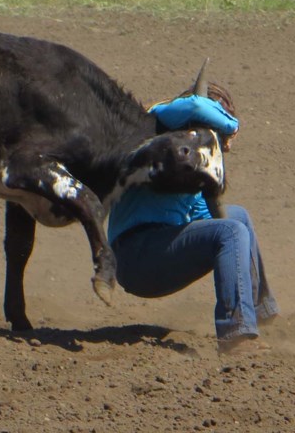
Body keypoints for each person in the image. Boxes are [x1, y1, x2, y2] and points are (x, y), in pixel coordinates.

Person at [107, 82, 279, 356]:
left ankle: (259, 314)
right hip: (135, 255)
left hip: (160, 248)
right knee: (232, 231)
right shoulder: (159, 122)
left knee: (238, 219)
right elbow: (193, 105)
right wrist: (231, 125)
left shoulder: (185, 159)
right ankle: (236, 335)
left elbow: (207, 218)